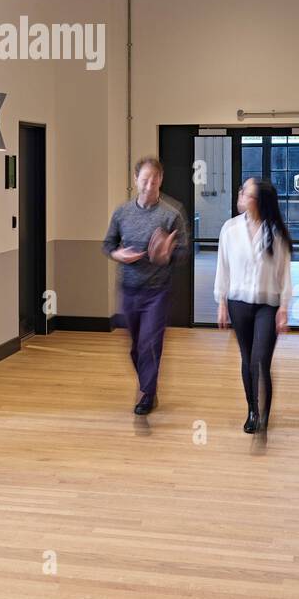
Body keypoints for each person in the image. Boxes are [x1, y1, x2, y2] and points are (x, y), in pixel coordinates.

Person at [103, 156, 188, 414]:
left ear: (161, 180)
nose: (149, 184)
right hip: (129, 288)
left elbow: (183, 252)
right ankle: (147, 384)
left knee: (149, 343)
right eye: (144, 179)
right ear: (136, 180)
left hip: (157, 291)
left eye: (154, 179)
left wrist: (167, 254)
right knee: (135, 348)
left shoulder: (172, 214)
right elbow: (108, 245)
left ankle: (146, 396)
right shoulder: (122, 212)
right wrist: (118, 255)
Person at [215, 177, 292, 433]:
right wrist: (222, 302)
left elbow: (285, 274)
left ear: (258, 201)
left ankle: (263, 413)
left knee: (260, 360)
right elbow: (222, 268)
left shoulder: (276, 232)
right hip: (238, 303)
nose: (241, 195)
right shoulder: (230, 228)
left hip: (267, 305)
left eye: (246, 193)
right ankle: (252, 409)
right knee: (247, 359)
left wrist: (284, 307)